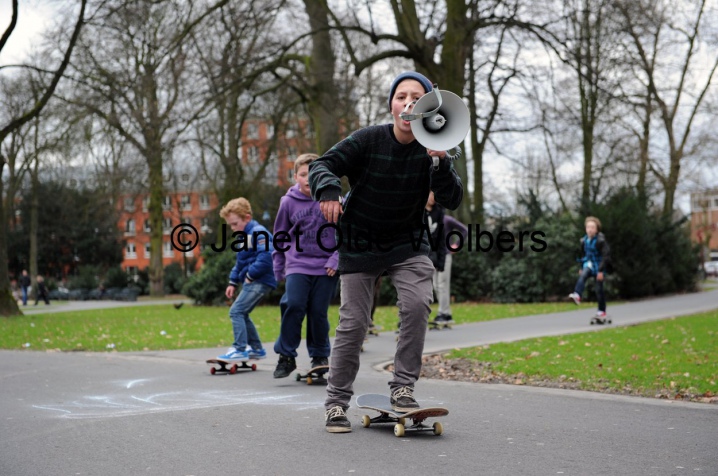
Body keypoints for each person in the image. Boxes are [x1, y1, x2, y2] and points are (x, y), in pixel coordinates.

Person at [310, 71, 463, 433]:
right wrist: (329, 190)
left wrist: (440, 163)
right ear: (392, 106)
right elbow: (323, 164)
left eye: (417, 97)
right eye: (401, 96)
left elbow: (452, 198)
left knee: (415, 306)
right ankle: (335, 404)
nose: (408, 102)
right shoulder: (368, 140)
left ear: (429, 108)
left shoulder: (435, 149)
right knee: (354, 325)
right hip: (360, 242)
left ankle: (403, 388)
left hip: (408, 243)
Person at [272, 153, 339, 378]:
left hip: (326, 266)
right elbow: (280, 235)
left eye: (313, 173)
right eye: (303, 174)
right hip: (297, 263)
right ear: (295, 177)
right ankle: (286, 356)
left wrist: (336, 258)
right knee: (293, 304)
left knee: (318, 312)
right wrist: (278, 265)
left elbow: (347, 233)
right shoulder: (288, 202)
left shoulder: (333, 199)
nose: (308, 178)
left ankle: (320, 356)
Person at [216, 198, 276, 361]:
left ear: (247, 218)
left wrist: (250, 275)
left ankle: (239, 349)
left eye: (235, 224)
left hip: (260, 279)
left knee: (236, 311)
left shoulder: (258, 232)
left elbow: (266, 256)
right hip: (254, 279)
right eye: (231, 226)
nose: (233, 229)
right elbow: (240, 262)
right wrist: (232, 282)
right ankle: (256, 349)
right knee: (243, 312)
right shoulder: (244, 236)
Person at [568, 216, 611, 318]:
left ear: (596, 229)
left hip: (599, 265)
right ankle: (577, 295)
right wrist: (581, 267)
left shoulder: (601, 241)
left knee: (598, 289)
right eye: (588, 227)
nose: (590, 230)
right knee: (583, 275)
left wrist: (601, 271)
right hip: (589, 264)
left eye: (592, 227)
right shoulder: (583, 241)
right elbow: (582, 255)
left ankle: (601, 311)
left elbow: (606, 256)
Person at [432, 213, 468, 324]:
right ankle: (447, 313)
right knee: (436, 285)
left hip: (446, 255)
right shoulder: (430, 219)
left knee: (442, 284)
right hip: (433, 256)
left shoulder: (447, 219)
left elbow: (464, 230)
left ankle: (442, 313)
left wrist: (456, 244)